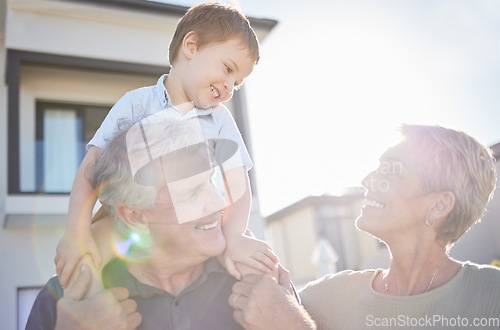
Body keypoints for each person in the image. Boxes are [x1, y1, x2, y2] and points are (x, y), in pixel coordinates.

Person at [55, 2, 278, 289]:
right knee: (84, 259)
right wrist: (76, 232)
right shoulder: (136, 103)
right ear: (192, 45)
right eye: (227, 68)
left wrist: (234, 235)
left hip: (192, 221)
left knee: (239, 249)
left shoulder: (220, 119)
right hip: (131, 220)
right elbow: (91, 169)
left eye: (237, 83)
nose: (228, 86)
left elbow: (238, 185)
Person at [230, 124, 500, 330]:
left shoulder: (491, 297)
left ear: (439, 205)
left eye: (392, 169)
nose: (368, 179)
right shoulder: (329, 297)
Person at [27, 114, 260, 329]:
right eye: (192, 193)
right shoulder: (64, 301)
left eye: (211, 181)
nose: (218, 203)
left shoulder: (256, 278)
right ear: (134, 217)